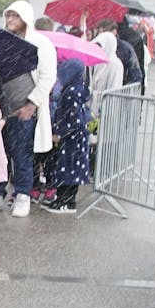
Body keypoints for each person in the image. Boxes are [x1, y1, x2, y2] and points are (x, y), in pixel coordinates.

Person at [0, 0, 56, 218]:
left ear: (25, 18)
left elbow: (47, 77)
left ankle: (23, 195)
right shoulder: (2, 42)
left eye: (15, 16)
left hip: (24, 109)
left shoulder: (41, 43)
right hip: (2, 108)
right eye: (8, 15)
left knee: (21, 154)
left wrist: (32, 104)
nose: (10, 20)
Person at [41, 58, 93, 214]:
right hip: (76, 139)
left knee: (67, 170)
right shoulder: (76, 89)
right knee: (71, 169)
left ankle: (65, 201)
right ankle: (66, 200)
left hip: (71, 140)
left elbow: (74, 120)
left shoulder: (70, 93)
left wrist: (60, 133)